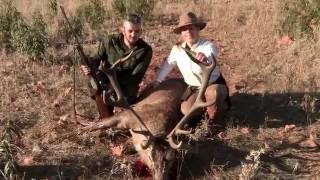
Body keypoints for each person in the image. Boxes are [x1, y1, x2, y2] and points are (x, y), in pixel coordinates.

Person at [155, 12, 230, 129]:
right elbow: (168, 64)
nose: (188, 32)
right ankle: (204, 111)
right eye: (184, 30)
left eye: (191, 28)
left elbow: (211, 54)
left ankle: (216, 121)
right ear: (181, 33)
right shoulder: (177, 49)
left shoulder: (207, 45)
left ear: (198, 29)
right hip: (194, 88)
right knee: (185, 110)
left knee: (215, 95)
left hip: (212, 84)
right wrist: (157, 81)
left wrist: (205, 58)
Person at [81, 13, 153, 119]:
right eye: (130, 31)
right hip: (106, 82)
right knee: (94, 84)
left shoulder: (145, 50)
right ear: (122, 30)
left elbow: (135, 77)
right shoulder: (109, 41)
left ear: (141, 31)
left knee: (124, 110)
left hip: (126, 86)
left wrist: (112, 86)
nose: (133, 35)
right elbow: (97, 59)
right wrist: (86, 65)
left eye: (137, 31)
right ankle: (105, 114)